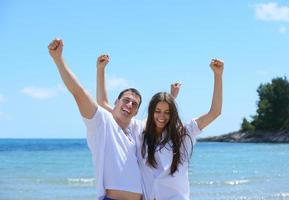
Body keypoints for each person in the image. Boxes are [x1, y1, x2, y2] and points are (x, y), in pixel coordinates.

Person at [97, 55, 223, 199]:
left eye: (167, 112)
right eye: (157, 111)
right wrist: (100, 69)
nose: (161, 116)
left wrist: (218, 75)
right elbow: (103, 103)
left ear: (173, 114)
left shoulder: (184, 134)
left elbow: (215, 112)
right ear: (151, 112)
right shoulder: (139, 131)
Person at [48, 38, 143, 200]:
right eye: (126, 100)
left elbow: (159, 118)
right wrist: (58, 60)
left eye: (134, 104)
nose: (129, 104)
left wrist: (171, 98)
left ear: (136, 112)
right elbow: (79, 93)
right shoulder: (103, 123)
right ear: (116, 103)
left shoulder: (134, 130)